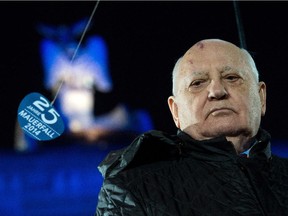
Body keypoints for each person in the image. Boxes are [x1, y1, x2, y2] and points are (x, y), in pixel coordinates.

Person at [95, 39, 288, 215]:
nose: (217, 91)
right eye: (197, 83)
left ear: (261, 97)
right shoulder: (132, 189)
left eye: (231, 77)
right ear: (175, 111)